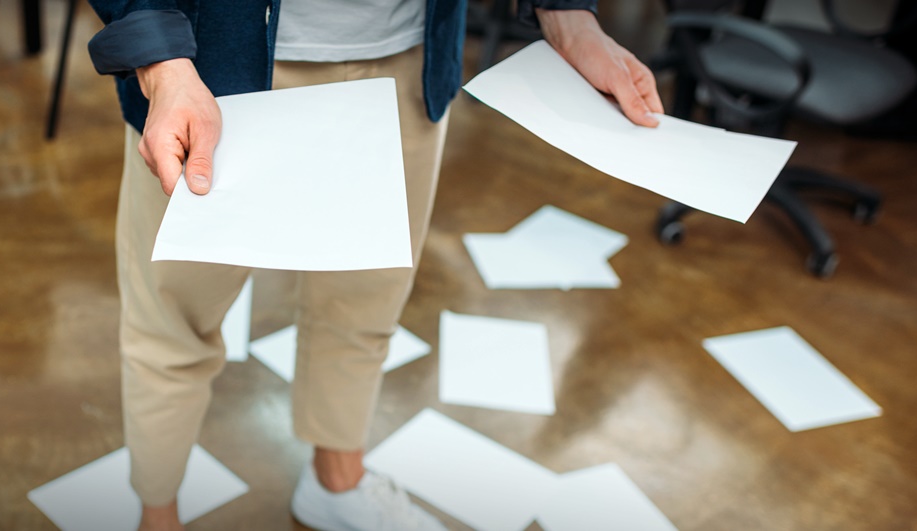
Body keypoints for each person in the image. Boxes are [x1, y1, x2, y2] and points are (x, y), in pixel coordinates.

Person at [84, 1, 663, 529]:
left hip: (406, 58)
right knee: (174, 326)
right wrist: (160, 58)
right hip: (210, 63)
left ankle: (336, 483)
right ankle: (157, 516)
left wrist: (567, 14)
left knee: (365, 307)